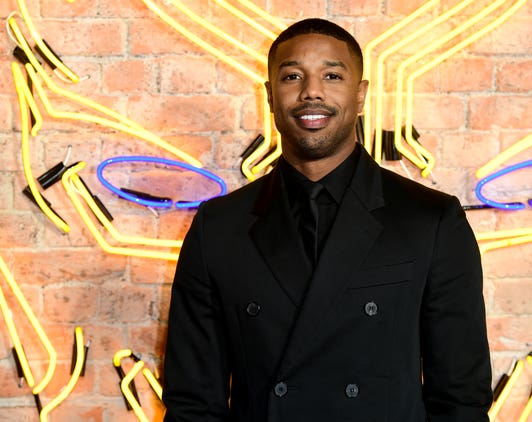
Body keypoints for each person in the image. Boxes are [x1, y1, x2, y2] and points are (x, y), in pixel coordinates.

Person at [163, 18, 492, 422]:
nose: (311, 91)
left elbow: (461, 401)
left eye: (332, 75)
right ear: (270, 96)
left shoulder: (432, 220)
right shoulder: (219, 227)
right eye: (292, 76)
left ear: (361, 95)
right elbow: (192, 405)